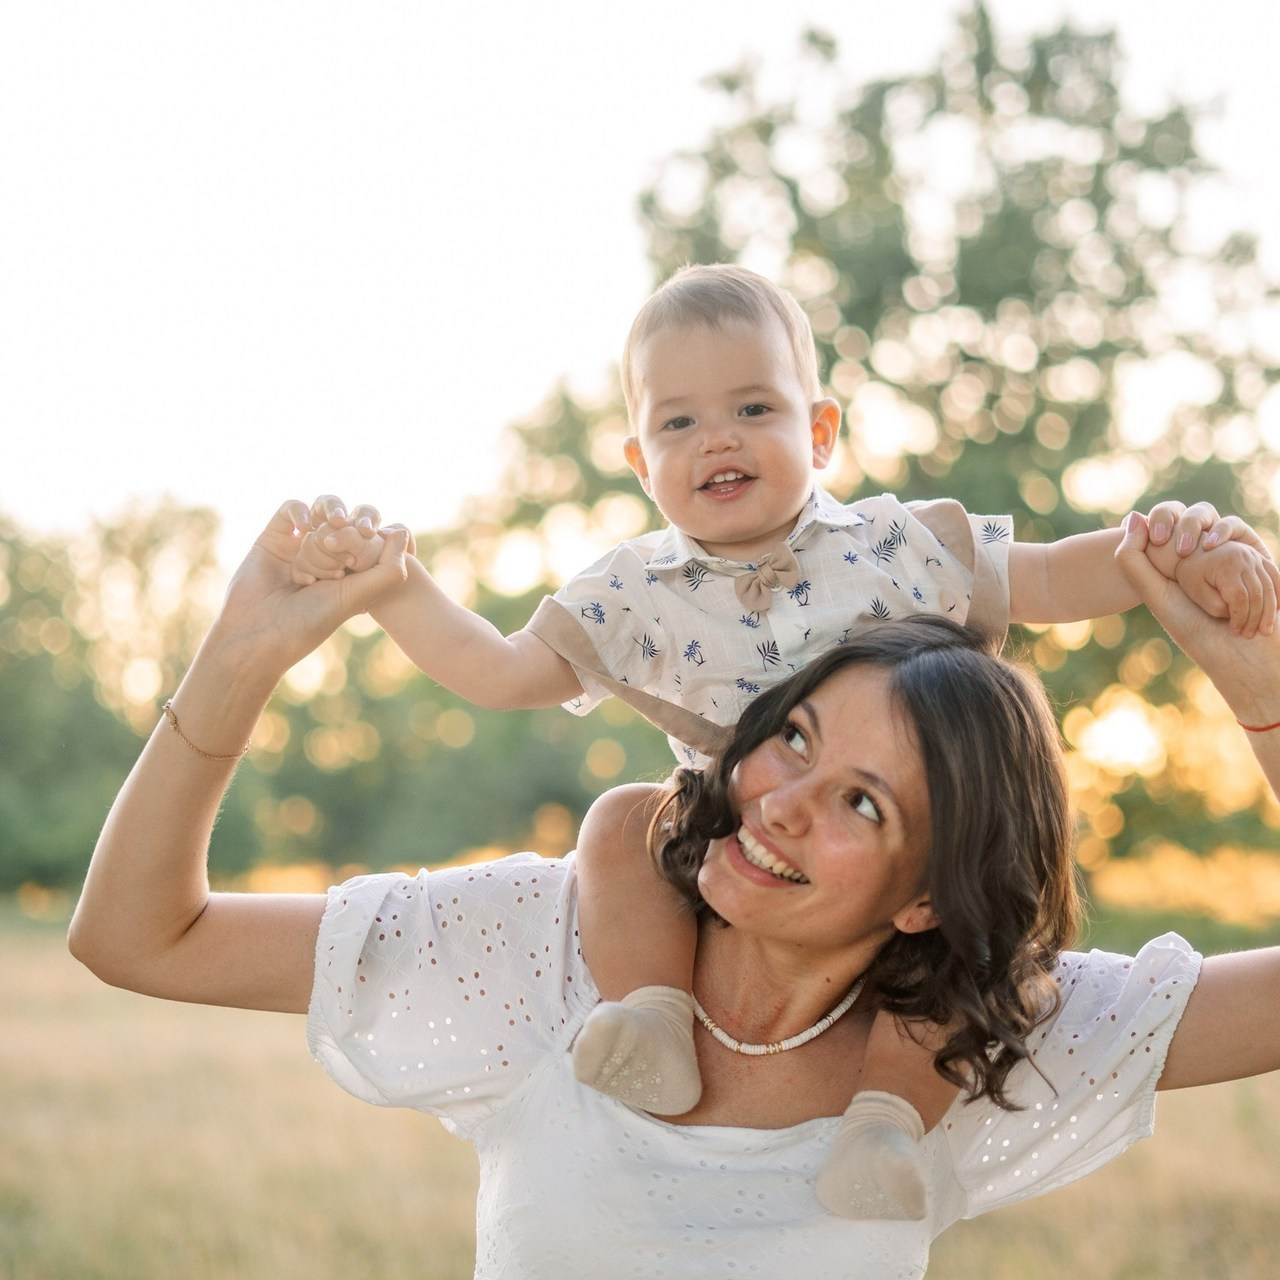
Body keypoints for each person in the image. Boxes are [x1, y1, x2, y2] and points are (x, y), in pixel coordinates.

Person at [286, 264, 1278, 1217]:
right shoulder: (636, 589)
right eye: (677, 422)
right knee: (621, 821)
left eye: (753, 407)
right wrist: (395, 588)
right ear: (639, 461)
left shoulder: (890, 545)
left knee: (974, 966)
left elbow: (1049, 577)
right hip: (719, 828)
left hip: (897, 858)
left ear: (819, 431)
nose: (716, 437)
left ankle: (887, 1124)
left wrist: (1160, 561)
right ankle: (653, 1012)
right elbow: (500, 672)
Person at [68, 502, 1280, 1278]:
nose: (781, 800)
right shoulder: (554, 946)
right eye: (793, 736)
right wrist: (239, 657)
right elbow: (140, 935)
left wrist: (1261, 696)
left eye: (863, 803)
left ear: (925, 897)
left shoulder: (974, 1032)